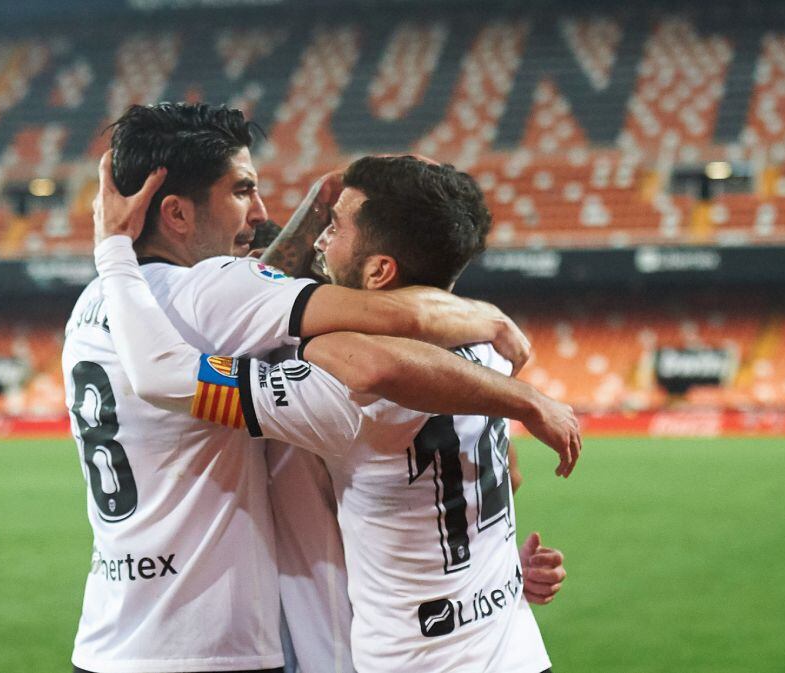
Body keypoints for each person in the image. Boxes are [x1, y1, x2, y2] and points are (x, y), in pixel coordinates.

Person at [62, 102, 554, 673]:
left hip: (111, 629)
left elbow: (238, 302)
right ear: (175, 213)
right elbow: (390, 319)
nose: (261, 212)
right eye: (243, 190)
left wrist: (112, 252)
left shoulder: (97, 302)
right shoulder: (235, 308)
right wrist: (491, 323)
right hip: (214, 644)